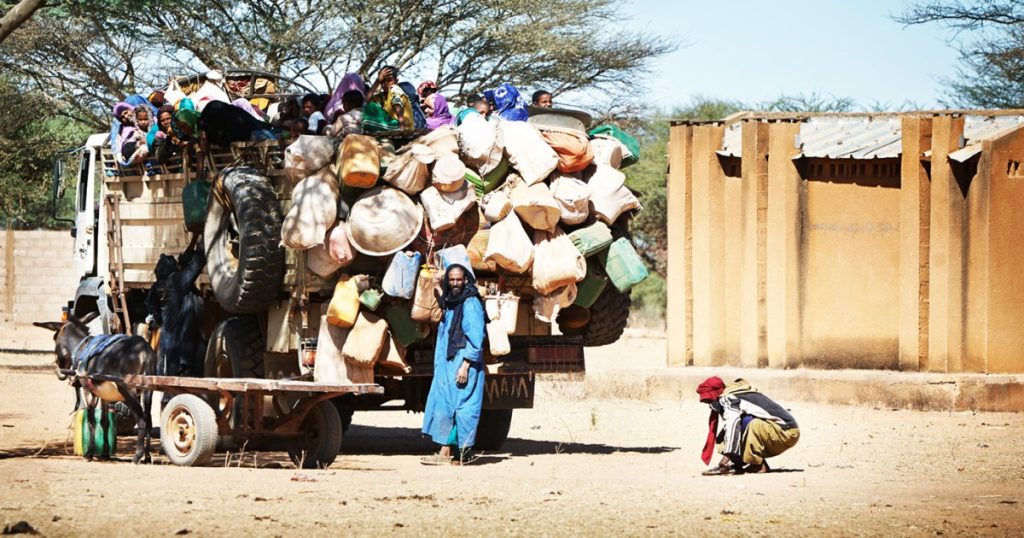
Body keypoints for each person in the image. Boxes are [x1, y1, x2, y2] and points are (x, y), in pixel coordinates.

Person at [421, 264, 486, 465]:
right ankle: (448, 452)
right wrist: (439, 289)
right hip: (449, 364)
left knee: (464, 408)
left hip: (463, 363)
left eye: (459, 279)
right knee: (448, 405)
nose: (455, 283)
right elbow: (446, 307)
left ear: (466, 279)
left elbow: (476, 337)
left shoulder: (471, 303)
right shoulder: (453, 301)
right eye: (452, 280)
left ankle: (461, 454)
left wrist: (465, 365)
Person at [697, 376, 800, 475]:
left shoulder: (728, 399)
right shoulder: (736, 393)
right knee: (736, 428)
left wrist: (724, 461)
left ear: (714, 395)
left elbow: (733, 426)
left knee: (748, 424)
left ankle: (758, 465)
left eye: (708, 401)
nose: (709, 405)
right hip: (789, 432)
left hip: (785, 432)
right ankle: (746, 463)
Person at [151, 240, 206, 383]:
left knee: (173, 383)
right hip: (184, 349)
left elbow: (185, 263)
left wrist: (193, 241)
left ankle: (171, 401)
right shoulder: (176, 282)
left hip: (172, 345)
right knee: (185, 384)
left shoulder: (161, 286)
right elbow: (195, 266)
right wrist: (205, 242)